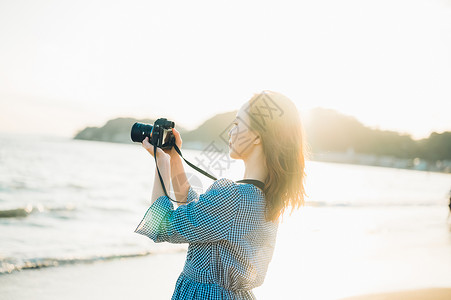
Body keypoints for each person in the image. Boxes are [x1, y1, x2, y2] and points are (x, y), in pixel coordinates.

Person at [135, 91, 307, 299]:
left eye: (236, 125)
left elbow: (160, 227)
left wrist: (160, 165)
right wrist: (173, 157)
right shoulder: (262, 198)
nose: (230, 132)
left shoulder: (231, 197)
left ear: (256, 136)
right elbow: (196, 210)